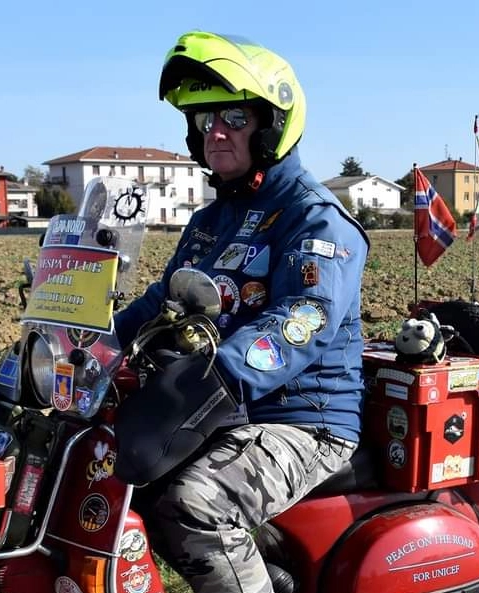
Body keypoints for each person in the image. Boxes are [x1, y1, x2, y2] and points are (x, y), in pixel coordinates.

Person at [112, 30, 369, 593]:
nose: (216, 132)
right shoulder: (210, 223)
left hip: (302, 420)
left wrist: (219, 372)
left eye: (232, 116)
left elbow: (303, 320)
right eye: (205, 121)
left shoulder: (313, 219)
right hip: (221, 408)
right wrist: (99, 341)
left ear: (272, 124)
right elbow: (165, 300)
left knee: (193, 505)